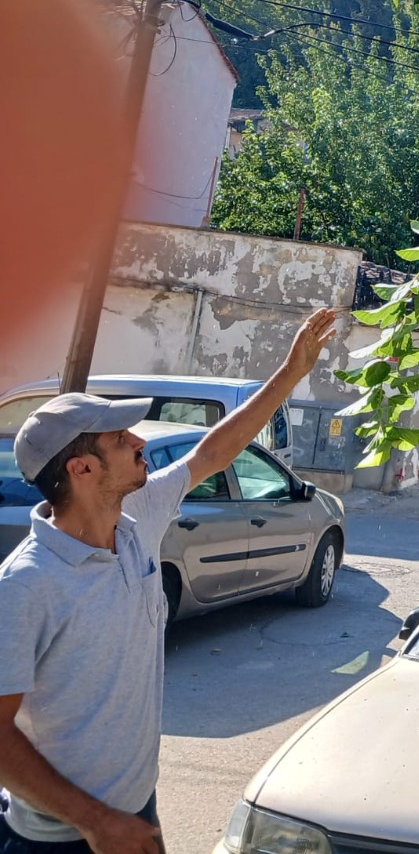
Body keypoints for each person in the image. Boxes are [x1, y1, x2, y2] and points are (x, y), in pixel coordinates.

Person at [0, 310, 339, 854]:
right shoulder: (26, 584)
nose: (139, 440)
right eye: (119, 438)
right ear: (81, 470)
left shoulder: (136, 520)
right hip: (62, 836)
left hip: (134, 809)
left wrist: (290, 373)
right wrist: (97, 822)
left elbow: (213, 450)